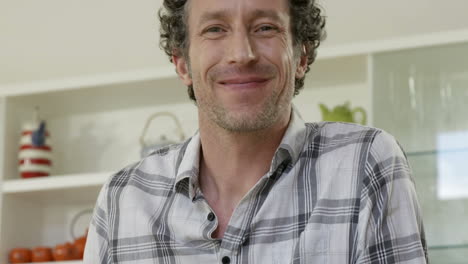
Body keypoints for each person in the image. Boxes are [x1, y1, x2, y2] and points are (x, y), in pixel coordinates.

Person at [84, 0, 428, 263]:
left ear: (302, 55)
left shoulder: (366, 164)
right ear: (182, 63)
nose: (241, 54)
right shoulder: (122, 199)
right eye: (215, 29)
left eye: (265, 27)